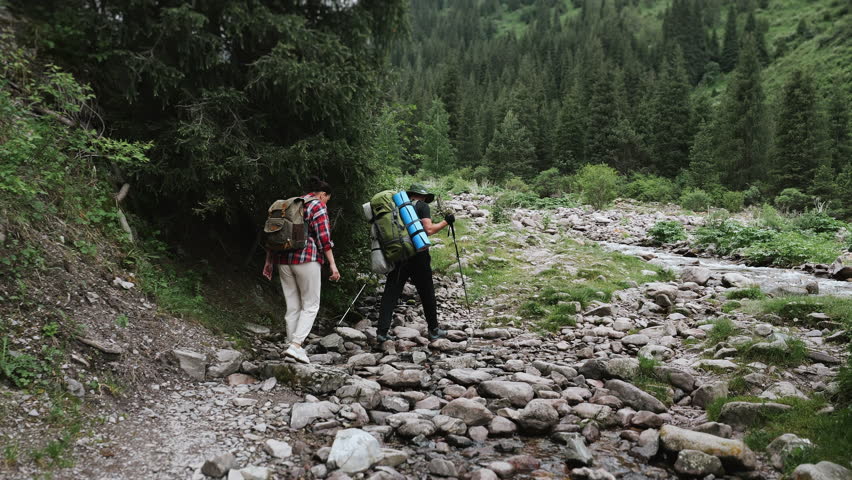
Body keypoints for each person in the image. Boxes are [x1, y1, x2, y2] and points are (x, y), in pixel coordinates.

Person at [263, 177, 340, 364]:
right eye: (327, 199)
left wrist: (269, 261)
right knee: (311, 304)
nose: (325, 202)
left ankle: (292, 346)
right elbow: (324, 238)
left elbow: (275, 234)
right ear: (322, 194)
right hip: (307, 259)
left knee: (293, 305)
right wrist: (332, 265)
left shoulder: (289, 204)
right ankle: (296, 346)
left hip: (283, 259)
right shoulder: (317, 206)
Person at [376, 184, 455, 343]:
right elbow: (429, 230)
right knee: (427, 292)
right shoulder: (422, 206)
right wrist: (446, 221)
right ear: (423, 196)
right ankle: (433, 330)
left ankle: (382, 332)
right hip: (419, 256)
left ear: (409, 195)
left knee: (391, 292)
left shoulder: (396, 208)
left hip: (400, 254)